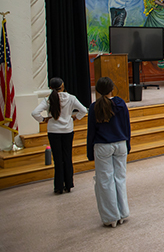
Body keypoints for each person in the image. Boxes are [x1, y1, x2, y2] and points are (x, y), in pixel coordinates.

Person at [87, 77, 131, 228]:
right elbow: (127, 126)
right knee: (120, 178)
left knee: (105, 181)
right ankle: (123, 213)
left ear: (98, 90)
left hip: (102, 146)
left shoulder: (94, 107)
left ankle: (111, 217)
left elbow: (91, 132)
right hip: (120, 144)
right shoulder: (120, 104)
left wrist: (89, 152)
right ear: (112, 88)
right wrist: (128, 144)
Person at [31, 78, 87, 194]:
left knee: (57, 159)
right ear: (62, 85)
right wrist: (76, 117)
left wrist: (43, 120)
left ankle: (58, 186)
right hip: (67, 130)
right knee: (67, 157)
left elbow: (34, 113)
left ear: (50, 88)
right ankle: (69, 184)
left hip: (53, 131)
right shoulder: (71, 98)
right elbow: (83, 110)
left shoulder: (48, 100)